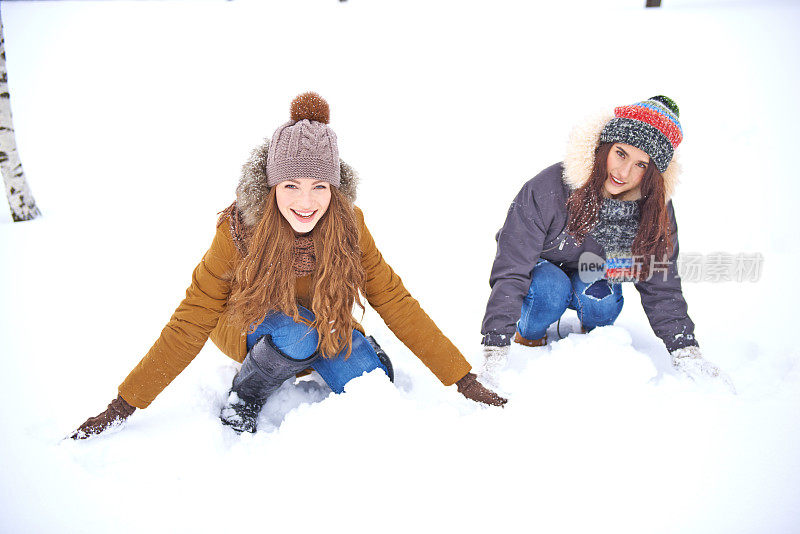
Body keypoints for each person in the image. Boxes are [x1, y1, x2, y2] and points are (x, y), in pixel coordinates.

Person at [72, 92, 505, 439]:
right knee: (298, 330)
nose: (305, 201)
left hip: (323, 322)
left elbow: (392, 297)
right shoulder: (240, 229)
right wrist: (123, 404)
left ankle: (337, 354)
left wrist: (461, 378)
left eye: (320, 186)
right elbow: (191, 320)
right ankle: (248, 392)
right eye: (291, 185)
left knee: (367, 378)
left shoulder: (349, 225)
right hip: (250, 323)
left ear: (335, 188)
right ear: (272, 184)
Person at [479, 96, 732, 389]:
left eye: (641, 165)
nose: (623, 173)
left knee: (599, 294)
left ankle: (594, 344)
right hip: (542, 273)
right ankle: (530, 339)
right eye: (621, 154)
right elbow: (512, 268)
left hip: (593, 271)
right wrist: (494, 349)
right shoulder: (548, 188)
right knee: (550, 287)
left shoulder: (653, 209)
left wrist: (686, 350)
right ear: (604, 147)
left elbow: (659, 278)